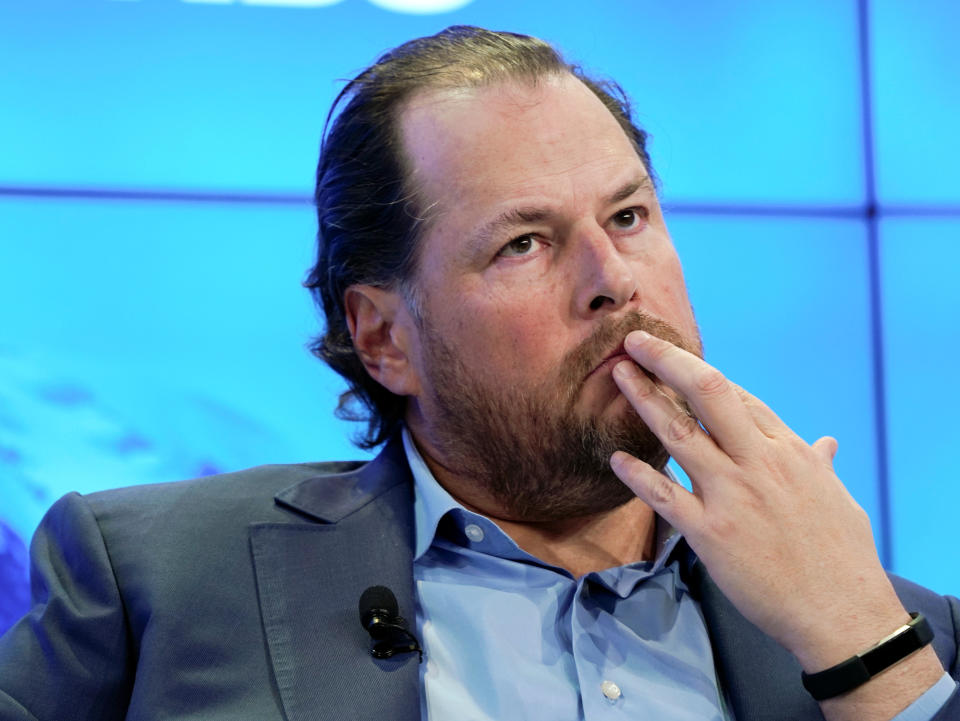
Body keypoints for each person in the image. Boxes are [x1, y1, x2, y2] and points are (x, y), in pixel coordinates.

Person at [0, 25, 957, 721]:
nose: (612, 283)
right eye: (525, 243)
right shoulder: (153, 584)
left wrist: (866, 652)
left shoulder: (906, 634)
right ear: (382, 339)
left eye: (627, 218)